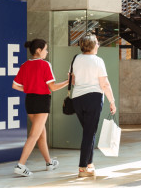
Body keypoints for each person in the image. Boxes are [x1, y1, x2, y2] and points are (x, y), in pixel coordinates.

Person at [11, 39, 69, 177]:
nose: (46, 52)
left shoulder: (25, 65)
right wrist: (69, 82)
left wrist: (30, 88)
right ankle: (21, 165)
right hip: (41, 101)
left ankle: (49, 163)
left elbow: (15, 85)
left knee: (41, 134)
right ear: (38, 50)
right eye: (45, 49)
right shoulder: (45, 65)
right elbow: (53, 87)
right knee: (34, 135)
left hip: (30, 101)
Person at [71, 34, 117, 178]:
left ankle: (89, 163)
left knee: (89, 131)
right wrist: (112, 100)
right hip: (93, 98)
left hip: (77, 98)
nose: (98, 45)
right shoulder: (98, 61)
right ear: (92, 45)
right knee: (89, 133)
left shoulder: (76, 59)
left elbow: (73, 80)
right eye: (97, 43)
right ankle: (82, 167)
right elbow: (104, 83)